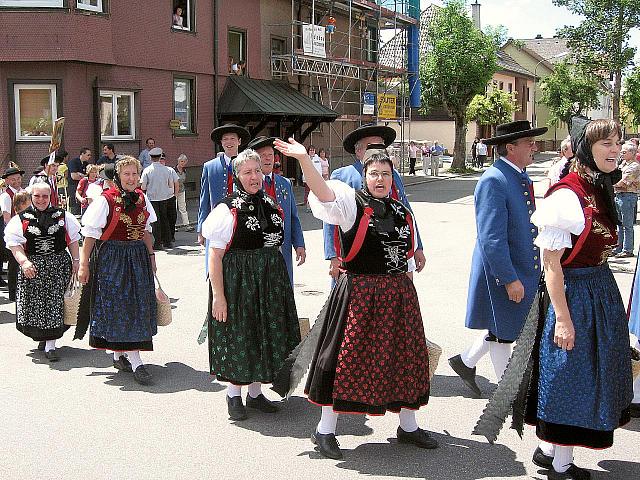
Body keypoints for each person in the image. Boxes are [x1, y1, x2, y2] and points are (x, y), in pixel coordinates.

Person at [273, 137, 437, 460]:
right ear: (365, 176)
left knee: (402, 360)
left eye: (386, 175)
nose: (380, 180)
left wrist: (408, 287)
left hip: (398, 297)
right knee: (342, 362)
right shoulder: (352, 205)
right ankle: (324, 431)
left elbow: (403, 256)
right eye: (374, 174)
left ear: (393, 178)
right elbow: (323, 193)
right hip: (360, 297)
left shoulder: (401, 211)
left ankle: (408, 425)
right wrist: (306, 160)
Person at [523, 118, 633, 478]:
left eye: (618, 143)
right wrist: (564, 319)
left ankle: (549, 451)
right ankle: (560, 465)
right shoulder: (568, 194)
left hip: (599, 290)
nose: (615, 150)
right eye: (606, 144)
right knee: (570, 374)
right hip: (575, 295)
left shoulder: (599, 186)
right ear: (587, 149)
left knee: (589, 373)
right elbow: (551, 265)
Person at [449, 120, 547, 397]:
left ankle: (465, 362)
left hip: (516, 266)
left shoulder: (516, 174)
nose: (534, 147)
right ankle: (510, 391)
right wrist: (509, 278)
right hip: (501, 269)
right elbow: (491, 237)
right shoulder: (495, 178)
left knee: (501, 323)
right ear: (510, 147)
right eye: (529, 143)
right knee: (503, 331)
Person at [201, 149, 301, 421]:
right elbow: (215, 255)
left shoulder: (270, 202)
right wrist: (218, 296)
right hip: (239, 283)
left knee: (263, 335)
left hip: (269, 282)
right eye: (247, 172)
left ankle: (255, 394)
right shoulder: (227, 208)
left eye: (257, 170)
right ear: (237, 176)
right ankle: (234, 394)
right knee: (241, 335)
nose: (254, 176)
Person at [78, 156, 158, 385]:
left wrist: (151, 256)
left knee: (138, 305)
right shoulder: (106, 200)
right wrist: (84, 265)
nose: (132, 178)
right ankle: (136, 361)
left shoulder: (143, 199)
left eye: (135, 174)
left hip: (137, 257)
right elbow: (90, 234)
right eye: (127, 174)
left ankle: (119, 354)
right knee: (120, 306)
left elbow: (145, 231)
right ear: (118, 177)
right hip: (113, 258)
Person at [322, 124, 425, 283]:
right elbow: (329, 220)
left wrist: (418, 247)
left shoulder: (393, 175)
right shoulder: (342, 176)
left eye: (381, 146)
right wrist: (332, 256)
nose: (378, 151)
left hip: (391, 254)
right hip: (356, 257)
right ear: (358, 151)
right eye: (372, 146)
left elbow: (407, 213)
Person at [5, 181, 81, 361]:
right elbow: (14, 244)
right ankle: (44, 336)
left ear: (50, 197)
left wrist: (77, 261)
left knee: (55, 304)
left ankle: (51, 345)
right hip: (34, 268)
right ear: (31, 197)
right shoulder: (21, 218)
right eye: (37, 196)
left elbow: (72, 240)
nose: (41, 200)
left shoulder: (63, 216)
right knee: (38, 306)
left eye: (45, 196)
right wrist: (24, 262)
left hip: (58, 266)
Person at [247, 136, 305, 284]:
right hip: (258, 249)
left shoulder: (284, 183)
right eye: (262, 156)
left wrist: (299, 243)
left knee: (284, 286)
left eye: (270, 155)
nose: (267, 159)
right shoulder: (249, 184)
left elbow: (293, 217)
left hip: (282, 248)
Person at [198, 124, 251, 272]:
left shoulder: (248, 164)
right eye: (225, 139)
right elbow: (204, 200)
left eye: (232, 139)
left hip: (242, 220)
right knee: (216, 264)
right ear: (221, 143)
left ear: (239, 141)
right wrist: (201, 228)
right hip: (218, 223)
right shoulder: (210, 166)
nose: (229, 142)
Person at [141, 147, 178, 250]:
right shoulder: (167, 170)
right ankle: (168, 241)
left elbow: (143, 187)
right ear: (160, 157)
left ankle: (158, 242)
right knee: (165, 219)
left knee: (155, 221)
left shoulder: (147, 170)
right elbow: (171, 184)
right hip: (165, 197)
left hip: (152, 198)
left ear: (151, 158)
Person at [0, 165, 26, 299]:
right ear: (8, 181)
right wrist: (15, 231)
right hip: (14, 232)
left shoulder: (24, 192)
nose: (16, 181)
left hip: (25, 231)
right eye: (13, 179)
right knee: (13, 263)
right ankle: (12, 293)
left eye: (18, 178)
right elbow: (6, 218)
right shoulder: (6, 196)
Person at [612, 141, 640, 257]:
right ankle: (619, 247)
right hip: (619, 196)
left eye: (624, 151)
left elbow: (623, 183)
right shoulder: (623, 163)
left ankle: (627, 249)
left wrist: (608, 184)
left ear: (632, 153)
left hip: (628, 196)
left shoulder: (634, 166)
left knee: (627, 225)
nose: (621, 153)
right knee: (619, 224)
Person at [67, 147, 92, 215]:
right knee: (75, 204)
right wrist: (84, 176)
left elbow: (89, 177)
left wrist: (81, 175)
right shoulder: (73, 162)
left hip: (83, 187)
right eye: (88, 155)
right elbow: (74, 176)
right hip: (74, 187)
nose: (90, 157)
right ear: (82, 154)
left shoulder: (86, 164)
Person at [173, 154, 192, 231]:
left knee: (183, 208)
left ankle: (187, 224)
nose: (183, 163)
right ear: (178, 161)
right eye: (181, 161)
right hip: (173, 192)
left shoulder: (184, 170)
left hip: (181, 190)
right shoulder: (173, 170)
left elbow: (184, 180)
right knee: (173, 209)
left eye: (184, 161)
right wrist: (174, 192)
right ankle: (173, 225)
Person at [303, 145, 323, 209]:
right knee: (308, 192)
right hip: (308, 179)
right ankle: (308, 206)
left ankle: (315, 206)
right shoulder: (306, 158)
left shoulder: (317, 158)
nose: (312, 151)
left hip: (316, 179)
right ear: (308, 151)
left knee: (316, 193)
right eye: (310, 150)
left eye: (313, 150)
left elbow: (319, 169)